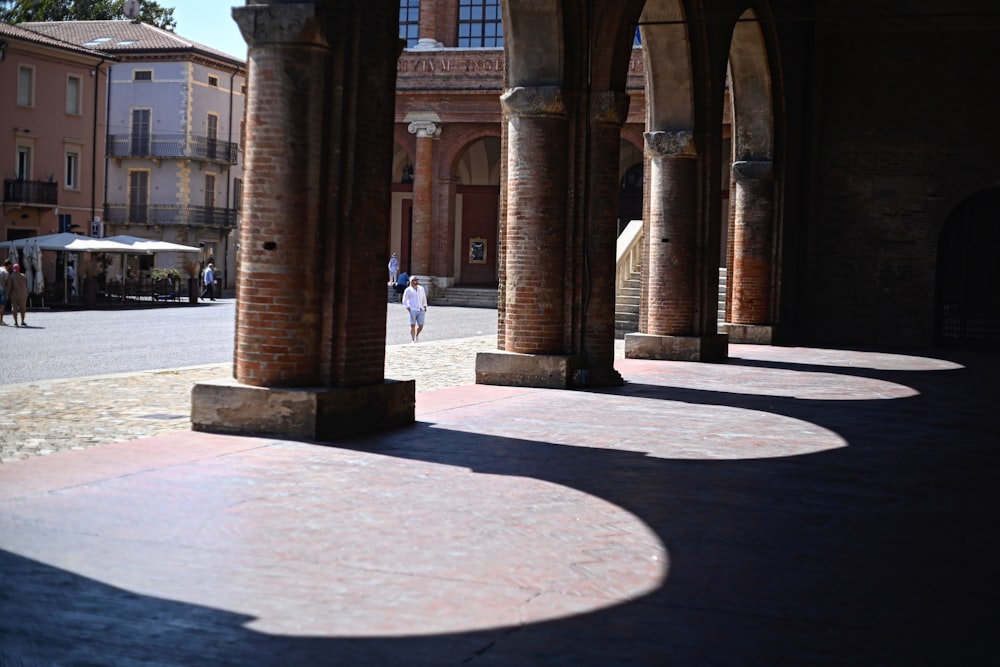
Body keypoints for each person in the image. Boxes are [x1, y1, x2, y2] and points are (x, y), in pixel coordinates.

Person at [401, 275, 428, 343]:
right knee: (412, 325)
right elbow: (404, 299)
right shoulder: (408, 290)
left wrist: (425, 306)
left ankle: (417, 335)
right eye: (414, 280)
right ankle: (413, 339)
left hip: (421, 309)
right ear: (411, 281)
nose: (415, 281)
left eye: (416, 280)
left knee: (421, 325)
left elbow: (424, 297)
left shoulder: (421, 288)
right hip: (413, 309)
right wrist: (408, 308)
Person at [5, 263, 29, 327]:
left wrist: (7, 294)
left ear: (13, 268)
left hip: (14, 295)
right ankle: (22, 321)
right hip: (23, 295)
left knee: (14, 308)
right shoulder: (23, 276)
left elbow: (9, 287)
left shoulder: (11, 276)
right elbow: (25, 285)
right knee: (23, 309)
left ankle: (16, 322)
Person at [0, 259, 9, 326]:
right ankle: (1, 320)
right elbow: (6, 283)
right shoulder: (6, 272)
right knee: (2, 305)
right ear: (8, 265)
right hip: (2, 290)